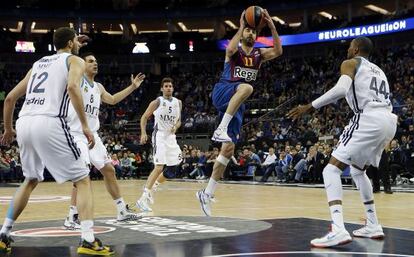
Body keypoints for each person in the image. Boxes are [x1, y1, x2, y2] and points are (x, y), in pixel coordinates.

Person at [0, 27, 113, 255]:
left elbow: (10, 98)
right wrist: (83, 125)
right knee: (82, 179)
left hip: (24, 122)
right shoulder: (75, 61)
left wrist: (9, 129)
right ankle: (88, 239)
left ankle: (4, 233)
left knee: (30, 179)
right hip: (50, 122)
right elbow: (73, 87)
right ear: (71, 43)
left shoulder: (39, 63)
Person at [288, 36, 397, 248]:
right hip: (389, 121)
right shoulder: (379, 70)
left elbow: (340, 89)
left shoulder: (350, 63)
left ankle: (338, 229)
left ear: (355, 48)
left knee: (330, 171)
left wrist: (310, 106)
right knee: (357, 171)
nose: (347, 49)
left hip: (368, 118)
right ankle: (373, 224)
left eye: (349, 46)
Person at [196, 8, 282, 216]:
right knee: (247, 87)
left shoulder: (259, 54)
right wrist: (242, 25)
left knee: (228, 151)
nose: (251, 34)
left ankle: (206, 193)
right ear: (243, 33)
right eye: (248, 31)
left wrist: (271, 26)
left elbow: (278, 51)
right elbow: (229, 49)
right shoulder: (235, 51)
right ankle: (221, 128)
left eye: (254, 31)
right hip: (223, 91)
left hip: (237, 104)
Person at [63, 52, 144, 229]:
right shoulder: (76, 79)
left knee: (109, 170)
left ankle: (122, 210)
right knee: (81, 176)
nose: (95, 63)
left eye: (96, 61)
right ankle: (71, 217)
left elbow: (113, 100)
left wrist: (132, 87)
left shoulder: (98, 87)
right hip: (76, 134)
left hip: (93, 135)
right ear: (82, 65)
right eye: (91, 61)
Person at [135, 77, 182, 212]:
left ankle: (154, 185)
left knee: (172, 171)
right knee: (159, 167)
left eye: (170, 86)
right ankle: (142, 198)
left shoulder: (178, 103)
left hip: (171, 137)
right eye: (166, 86)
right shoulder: (157, 102)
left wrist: (176, 127)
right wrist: (143, 133)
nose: (168, 88)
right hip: (160, 135)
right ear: (162, 89)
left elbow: (179, 121)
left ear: (173, 88)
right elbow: (144, 117)